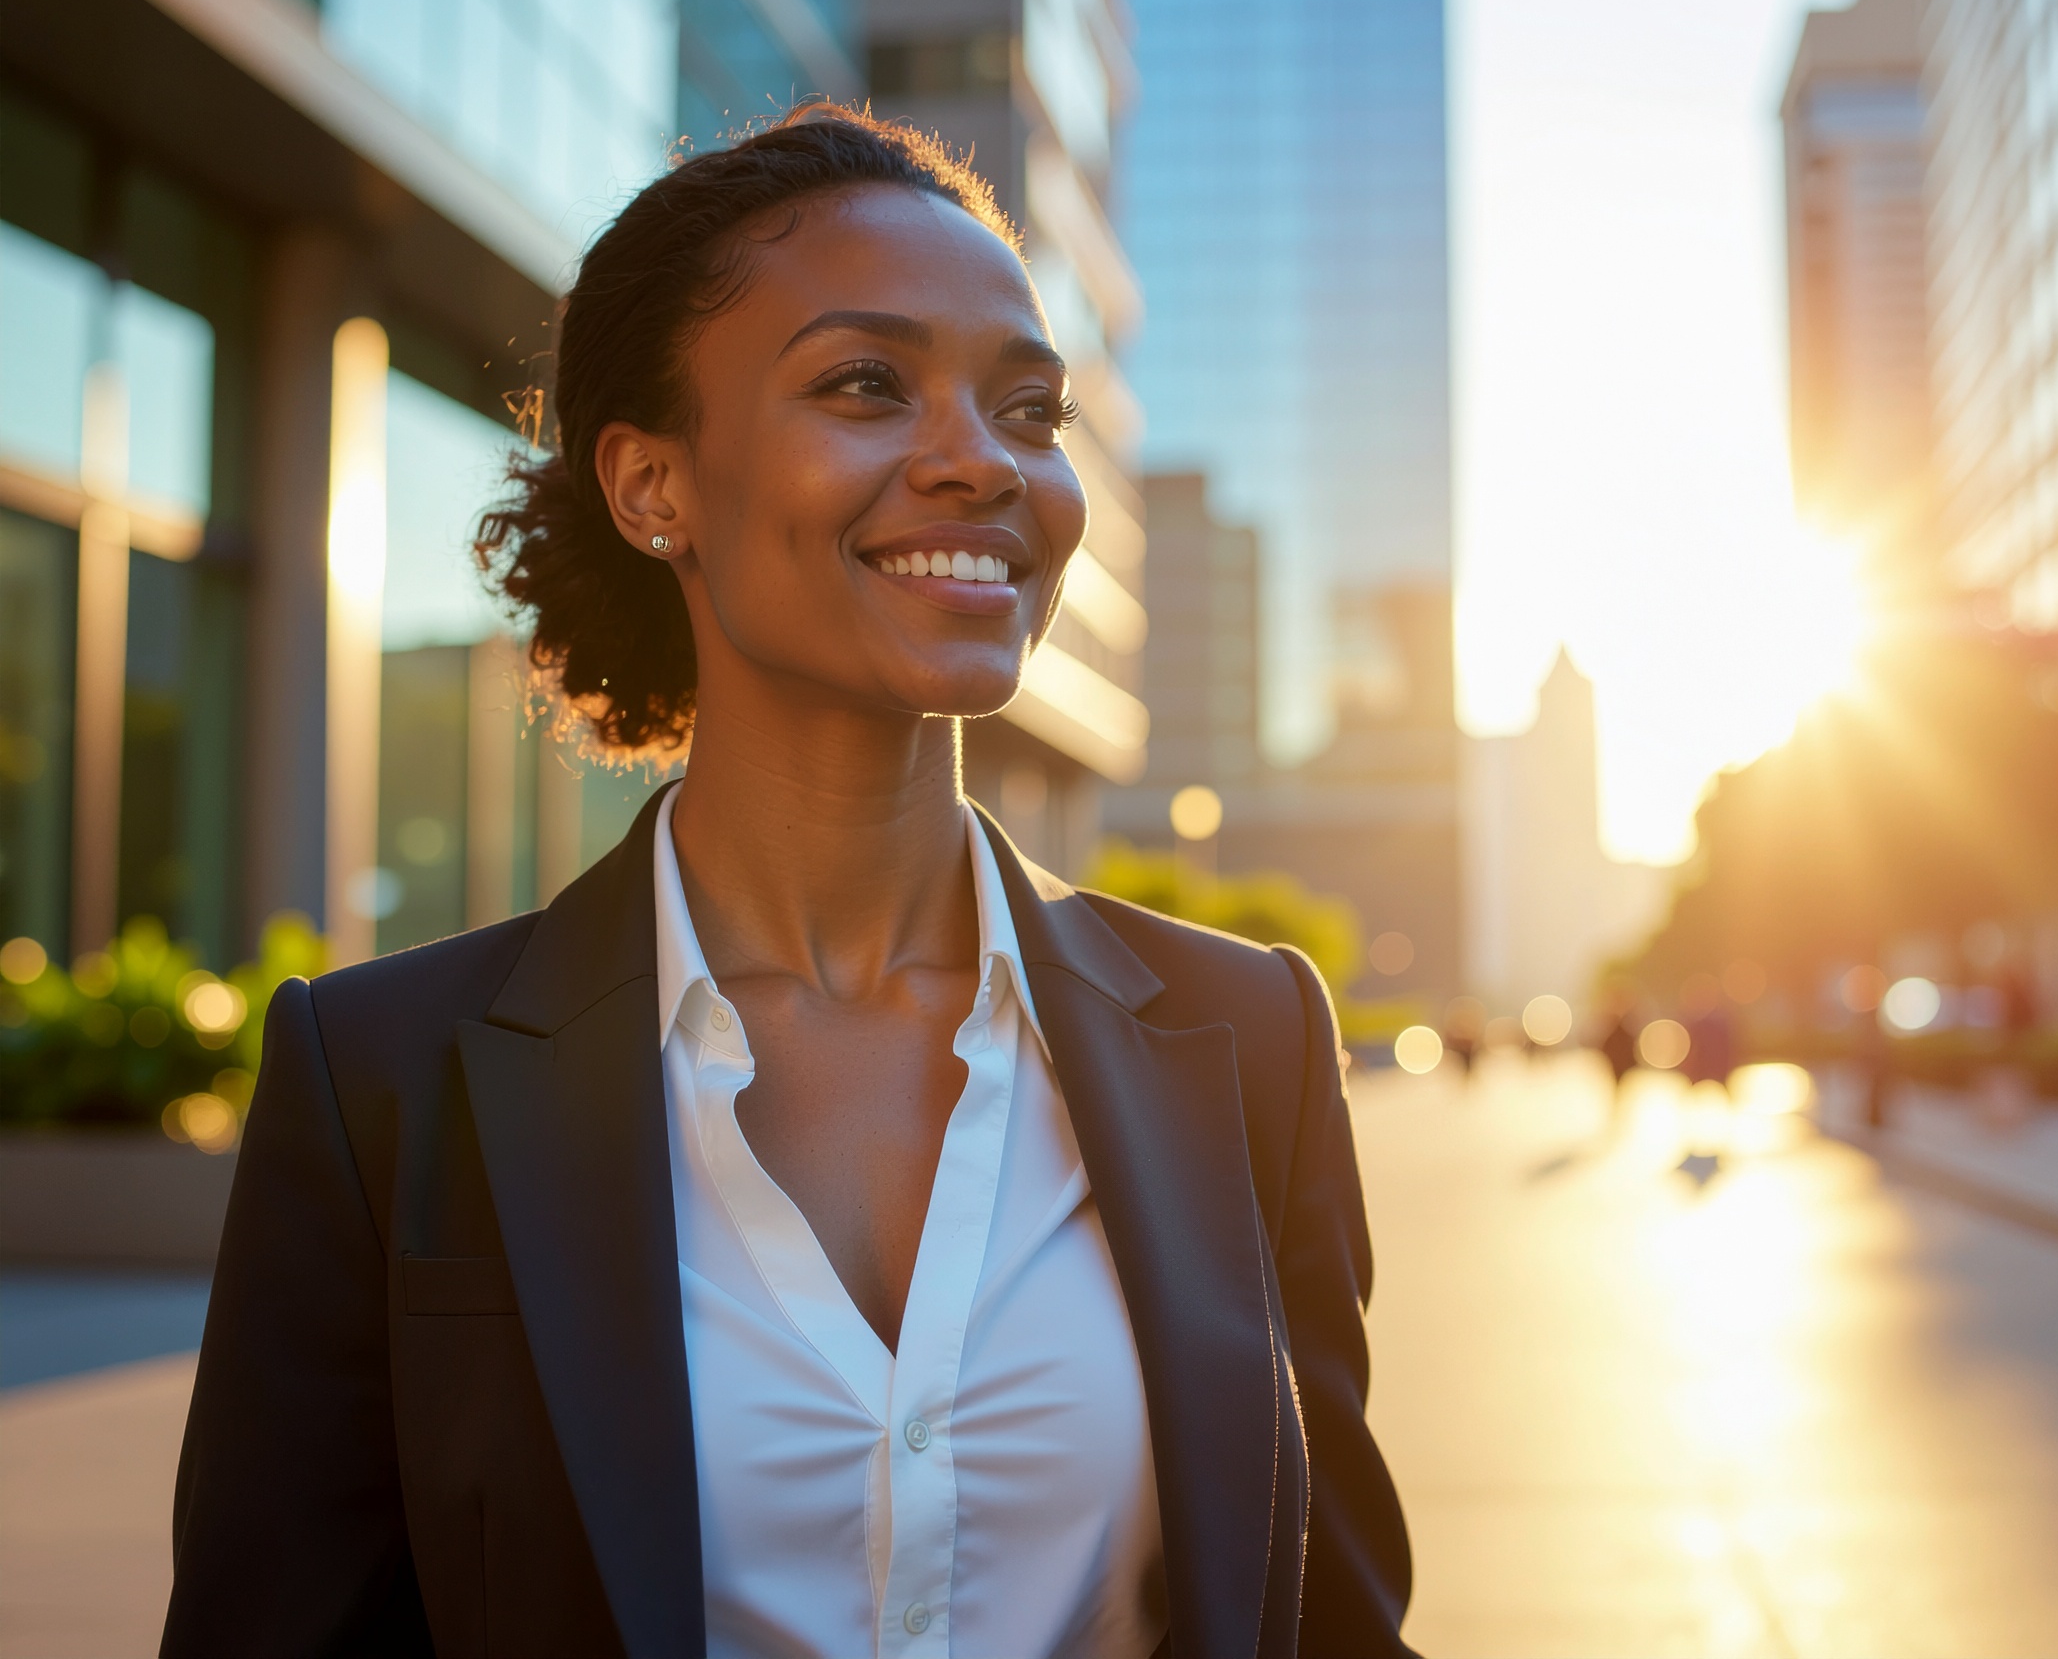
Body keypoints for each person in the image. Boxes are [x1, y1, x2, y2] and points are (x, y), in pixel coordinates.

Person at [163, 110, 1413, 1659]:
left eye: (1029, 410)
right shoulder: (386, 1085)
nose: (981, 461)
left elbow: (1336, 1624)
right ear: (651, 487)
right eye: (865, 383)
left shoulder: (1251, 1040)